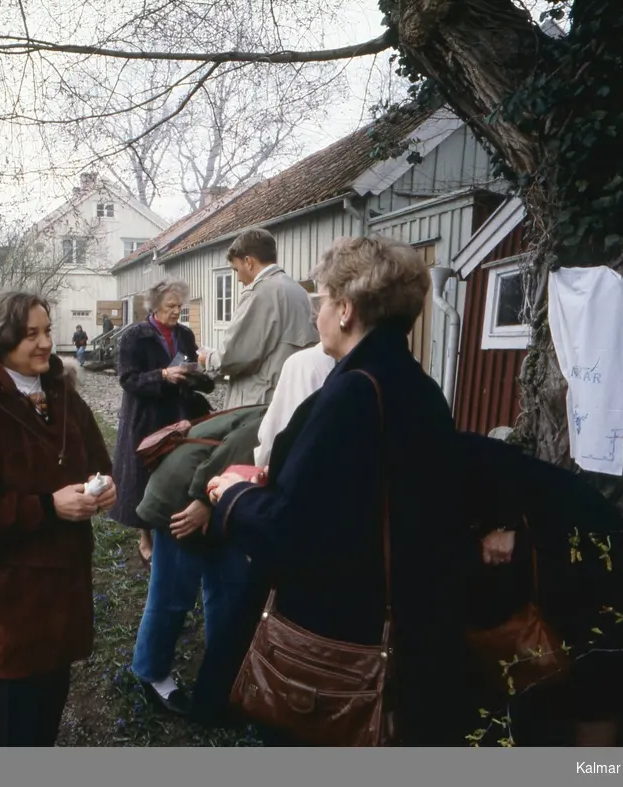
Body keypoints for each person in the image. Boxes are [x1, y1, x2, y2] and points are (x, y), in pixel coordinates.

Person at [205, 235, 476, 746]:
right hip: (411, 623)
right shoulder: (419, 387)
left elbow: (294, 530)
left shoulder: (352, 392)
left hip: (340, 640)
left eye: (323, 300)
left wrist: (232, 496)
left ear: (346, 310)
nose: (316, 315)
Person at [0, 291, 115, 747]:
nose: (45, 343)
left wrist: (101, 485)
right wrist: (49, 506)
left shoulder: (60, 391)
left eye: (48, 330)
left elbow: (95, 459)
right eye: (31, 333)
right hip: (10, 595)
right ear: (1, 337)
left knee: (48, 707)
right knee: (15, 725)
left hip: (63, 583)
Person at [456, 431, 623, 747]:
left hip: (581, 540)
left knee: (598, 666)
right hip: (551, 553)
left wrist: (507, 525)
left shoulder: (444, 450)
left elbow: (509, 461)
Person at [129, 404, 267, 716]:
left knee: (229, 586)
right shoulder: (286, 412)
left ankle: (222, 671)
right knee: (173, 591)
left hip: (220, 498)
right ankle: (151, 673)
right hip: (186, 496)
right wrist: (202, 500)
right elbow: (236, 447)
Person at [109, 280, 214, 568]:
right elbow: (127, 379)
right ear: (154, 307)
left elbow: (193, 368)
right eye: (170, 306)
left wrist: (196, 375)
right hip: (147, 417)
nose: (177, 311)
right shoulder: (134, 337)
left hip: (179, 415)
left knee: (176, 471)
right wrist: (161, 376)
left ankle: (170, 530)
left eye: (180, 306)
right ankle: (145, 537)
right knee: (146, 475)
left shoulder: (184, 334)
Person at [197, 228, 317, 408]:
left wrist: (208, 359)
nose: (238, 278)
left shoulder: (260, 293)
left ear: (248, 262)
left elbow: (233, 356)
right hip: (292, 397)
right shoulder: (298, 291)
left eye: (236, 269)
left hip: (260, 404)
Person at [251, 339, 336, 468]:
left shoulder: (305, 364)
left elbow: (273, 446)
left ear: (345, 317)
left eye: (319, 316)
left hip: (305, 477)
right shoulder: (372, 363)